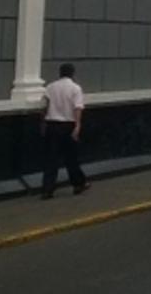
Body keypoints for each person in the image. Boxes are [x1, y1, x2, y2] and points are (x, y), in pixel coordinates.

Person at [41, 63, 88, 199]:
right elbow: (77, 108)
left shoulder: (50, 87)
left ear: (60, 73)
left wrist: (43, 123)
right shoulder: (75, 88)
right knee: (71, 158)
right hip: (68, 125)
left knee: (51, 158)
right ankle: (78, 184)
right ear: (73, 74)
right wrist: (78, 126)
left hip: (52, 125)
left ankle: (47, 189)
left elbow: (44, 106)